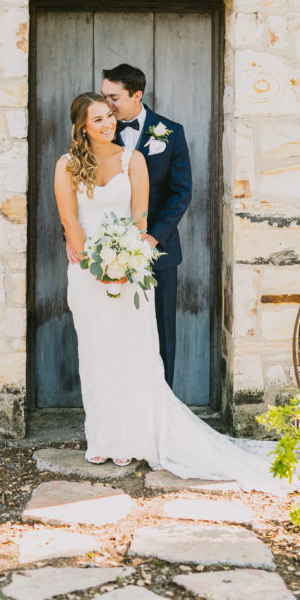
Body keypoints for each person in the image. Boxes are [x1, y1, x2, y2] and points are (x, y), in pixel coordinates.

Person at [53, 91, 294, 493]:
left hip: (128, 270)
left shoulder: (134, 160)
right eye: (97, 120)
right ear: (82, 127)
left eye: (109, 116)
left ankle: (130, 436)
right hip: (85, 272)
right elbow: (70, 221)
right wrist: (95, 265)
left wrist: (123, 263)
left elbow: (140, 218)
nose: (108, 124)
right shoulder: (66, 165)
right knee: (95, 352)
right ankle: (102, 436)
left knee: (132, 352)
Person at [101, 63, 191, 388]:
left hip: (159, 251)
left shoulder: (171, 132)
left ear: (136, 95)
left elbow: (181, 192)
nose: (107, 104)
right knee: (116, 332)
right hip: (108, 253)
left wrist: (154, 237)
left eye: (113, 97)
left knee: (161, 331)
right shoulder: (99, 132)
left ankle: (163, 404)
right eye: (104, 96)